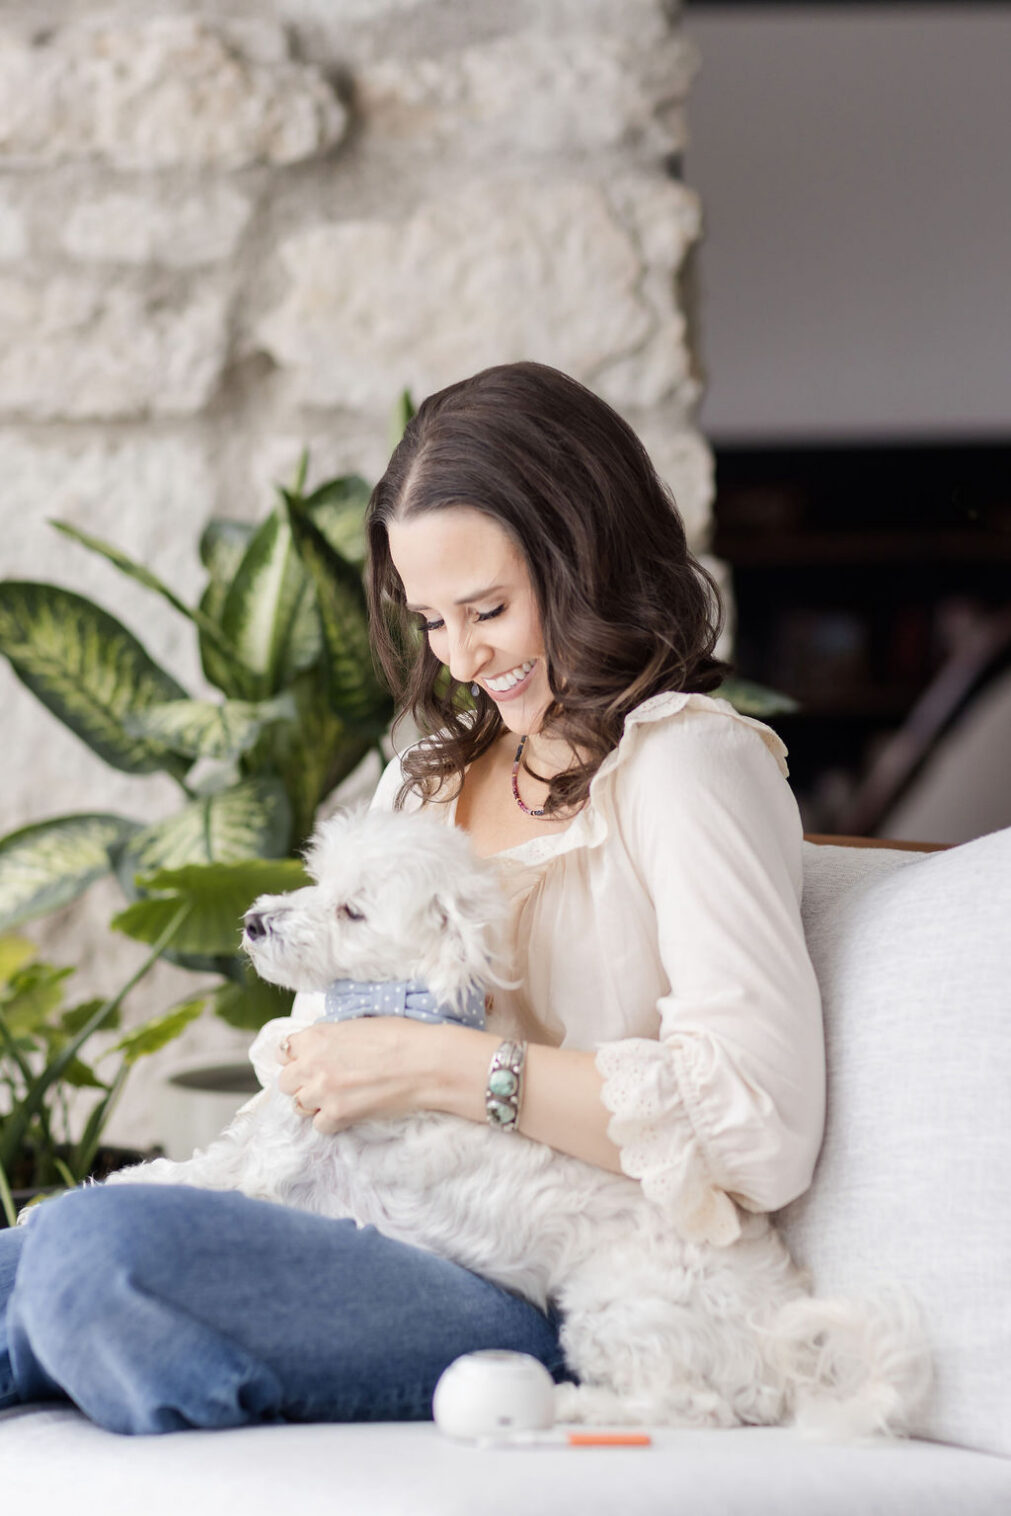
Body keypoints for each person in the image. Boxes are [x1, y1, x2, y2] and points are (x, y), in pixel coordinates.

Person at [0, 360, 825, 1435]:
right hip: (363, 1218)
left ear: (588, 561)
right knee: (37, 1248)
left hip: (540, 1282)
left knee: (86, 1258)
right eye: (431, 620)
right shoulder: (425, 782)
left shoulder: (687, 767)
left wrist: (445, 1067)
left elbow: (761, 1126)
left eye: (489, 608)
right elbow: (321, 1077)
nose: (464, 657)